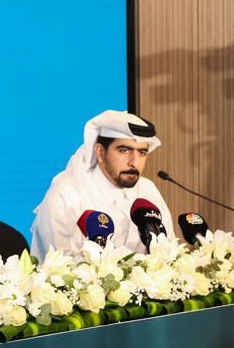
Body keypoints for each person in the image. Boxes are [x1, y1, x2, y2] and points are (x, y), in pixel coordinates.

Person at [30, 110, 174, 257]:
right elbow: (63, 269)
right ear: (100, 152)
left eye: (142, 153)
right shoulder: (65, 196)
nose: (135, 163)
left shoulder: (147, 189)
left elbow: (168, 253)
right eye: (124, 151)